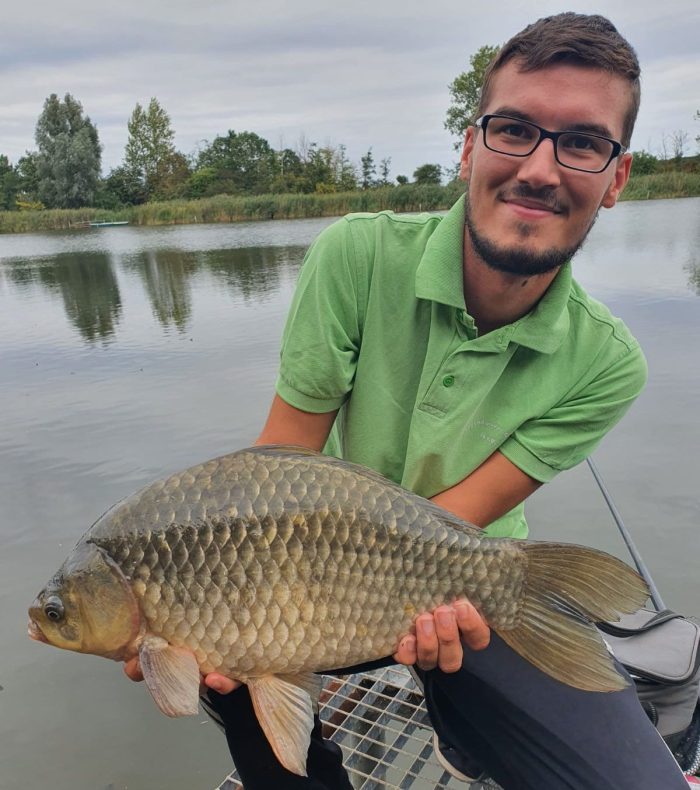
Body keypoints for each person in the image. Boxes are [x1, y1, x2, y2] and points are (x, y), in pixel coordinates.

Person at [126, 12, 692, 789]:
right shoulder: (353, 256)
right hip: (299, 581)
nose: (540, 167)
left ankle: (470, 721)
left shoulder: (607, 363)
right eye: (514, 130)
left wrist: (433, 600)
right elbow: (277, 463)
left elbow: (460, 519)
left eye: (583, 142)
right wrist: (204, 617)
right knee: (227, 665)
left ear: (617, 178)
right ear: (469, 147)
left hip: (464, 583)